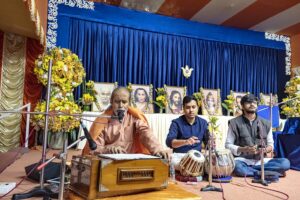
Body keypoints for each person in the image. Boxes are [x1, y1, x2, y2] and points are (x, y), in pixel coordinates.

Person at [82, 87, 169, 159]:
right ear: (111, 102)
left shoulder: (135, 118)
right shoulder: (102, 122)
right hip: (108, 164)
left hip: (131, 162)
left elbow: (147, 134)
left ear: (129, 103)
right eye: (117, 101)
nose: (120, 105)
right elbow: (94, 149)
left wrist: (158, 149)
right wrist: (108, 149)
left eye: (124, 102)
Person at [225, 94, 290, 177]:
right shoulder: (234, 123)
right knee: (238, 168)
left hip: (261, 160)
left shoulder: (266, 123)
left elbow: (271, 145)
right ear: (242, 105)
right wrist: (244, 149)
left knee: (285, 163)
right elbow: (228, 145)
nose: (252, 104)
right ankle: (267, 172)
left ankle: (254, 172)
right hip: (242, 160)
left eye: (254, 102)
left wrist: (265, 150)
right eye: (248, 102)